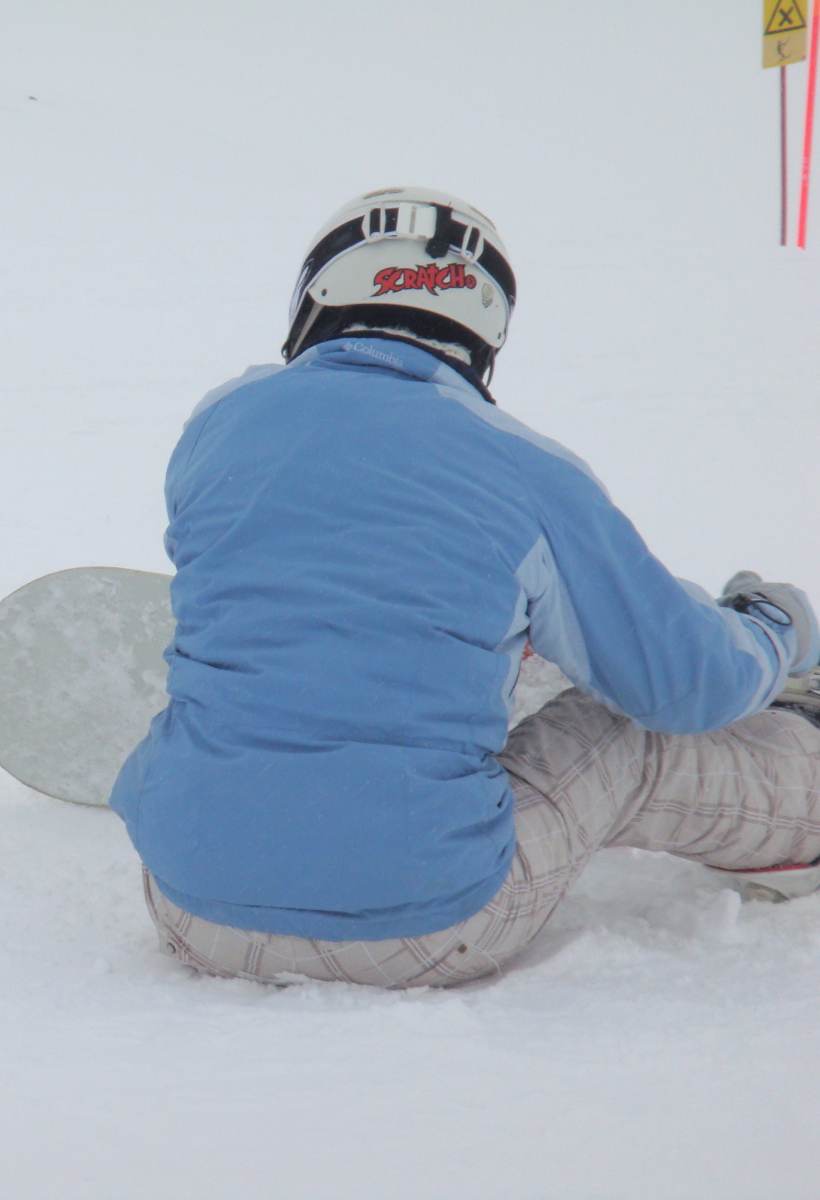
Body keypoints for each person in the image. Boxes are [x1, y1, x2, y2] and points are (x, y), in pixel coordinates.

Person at [108, 187, 820, 988]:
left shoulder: (219, 423)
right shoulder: (526, 470)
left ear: (315, 299)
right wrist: (776, 625)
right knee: (626, 725)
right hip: (427, 921)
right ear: (484, 335)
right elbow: (689, 683)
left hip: (187, 909)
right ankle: (804, 803)